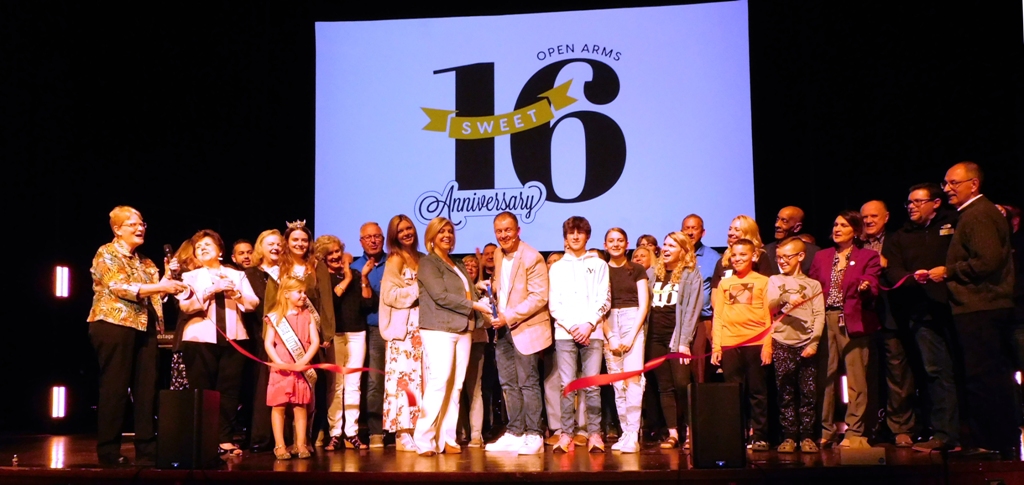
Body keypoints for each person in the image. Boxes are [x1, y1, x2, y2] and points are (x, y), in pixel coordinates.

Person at [87, 206, 188, 466]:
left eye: (142, 223)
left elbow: (157, 295)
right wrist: (160, 286)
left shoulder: (146, 262)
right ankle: (109, 450)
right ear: (117, 229)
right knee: (116, 387)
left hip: (145, 327)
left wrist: (168, 280)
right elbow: (120, 287)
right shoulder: (106, 253)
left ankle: (147, 448)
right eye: (132, 224)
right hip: (114, 324)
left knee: (147, 389)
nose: (140, 228)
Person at [936, 162, 1016, 455]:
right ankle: (997, 440)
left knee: (984, 377)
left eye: (953, 183)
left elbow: (987, 261)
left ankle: (991, 442)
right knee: (987, 375)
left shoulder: (979, 214)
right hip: (980, 306)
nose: (947, 189)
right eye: (945, 183)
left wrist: (948, 271)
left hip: (981, 306)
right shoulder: (973, 213)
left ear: (974, 185)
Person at [883, 183, 961, 452]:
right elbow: (892, 270)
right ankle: (943, 434)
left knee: (969, 370)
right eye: (909, 203)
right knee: (934, 372)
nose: (911, 207)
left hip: (959, 309)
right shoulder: (901, 236)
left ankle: (980, 435)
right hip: (922, 314)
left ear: (936, 203)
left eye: (918, 201)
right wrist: (912, 279)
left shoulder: (955, 222)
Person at [176, 229, 259, 456]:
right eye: (198, 247)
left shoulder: (236, 275)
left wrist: (236, 294)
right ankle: (204, 439)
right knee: (203, 391)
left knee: (229, 391)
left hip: (234, 338)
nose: (202, 248)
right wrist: (210, 290)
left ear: (220, 251)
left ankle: (225, 439)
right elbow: (186, 306)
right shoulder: (190, 277)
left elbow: (252, 303)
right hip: (199, 339)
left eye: (207, 245)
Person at [414, 217, 490, 456]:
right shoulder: (428, 263)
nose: (447, 235)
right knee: (439, 382)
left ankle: (447, 438)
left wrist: (479, 294)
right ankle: (424, 439)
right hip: (439, 328)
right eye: (441, 232)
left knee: (456, 386)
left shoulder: (456, 263)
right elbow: (440, 296)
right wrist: (475, 305)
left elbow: (466, 294)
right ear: (432, 237)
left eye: (450, 231)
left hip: (463, 329)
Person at [809, 211, 882, 449]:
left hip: (853, 320)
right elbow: (812, 285)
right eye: (835, 224)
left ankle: (855, 431)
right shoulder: (822, 256)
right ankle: (826, 430)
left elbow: (873, 280)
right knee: (826, 377)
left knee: (856, 379)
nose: (837, 229)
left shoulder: (868, 256)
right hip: (825, 319)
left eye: (843, 225)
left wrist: (866, 285)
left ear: (856, 231)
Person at [484, 212, 553, 455]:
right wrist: (491, 290)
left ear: (518, 230)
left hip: (525, 328)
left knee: (527, 383)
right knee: (508, 383)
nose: (503, 235)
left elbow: (539, 296)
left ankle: (534, 433)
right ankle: (515, 431)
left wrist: (509, 316)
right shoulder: (498, 254)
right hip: (502, 329)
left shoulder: (532, 257)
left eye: (508, 230)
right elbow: (505, 286)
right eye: (499, 231)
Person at [549, 216, 611, 453]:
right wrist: (572, 326)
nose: (575, 236)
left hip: (592, 332)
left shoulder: (599, 264)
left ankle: (594, 434)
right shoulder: (557, 267)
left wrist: (588, 324)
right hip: (565, 333)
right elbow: (554, 304)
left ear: (587, 236)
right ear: (565, 237)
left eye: (580, 232)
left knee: (592, 385)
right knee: (567, 385)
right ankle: (566, 434)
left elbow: (604, 299)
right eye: (571, 232)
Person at [861, 199, 916, 448]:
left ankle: (901, 427)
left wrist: (886, 264)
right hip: (862, 319)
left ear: (886, 217)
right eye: (865, 217)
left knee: (898, 375)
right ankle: (868, 426)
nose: (869, 221)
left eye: (874, 216)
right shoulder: (855, 244)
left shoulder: (897, 240)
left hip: (891, 316)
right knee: (865, 377)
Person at [711, 238, 773, 451]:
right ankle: (737, 435)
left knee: (757, 392)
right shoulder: (725, 283)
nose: (737, 259)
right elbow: (719, 316)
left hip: (755, 342)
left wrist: (767, 346)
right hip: (730, 343)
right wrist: (717, 346)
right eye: (734, 255)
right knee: (734, 393)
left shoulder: (764, 282)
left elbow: (769, 316)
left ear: (754, 256)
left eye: (743, 255)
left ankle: (760, 436)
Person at [766, 237, 825, 453]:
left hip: (806, 343)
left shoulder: (813, 285)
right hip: (782, 342)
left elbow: (819, 315)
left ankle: (807, 435)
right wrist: (785, 298)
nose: (782, 261)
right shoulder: (774, 280)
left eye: (787, 257)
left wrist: (814, 343)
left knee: (808, 392)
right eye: (779, 257)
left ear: (800, 256)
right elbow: (770, 305)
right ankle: (789, 436)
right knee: (785, 391)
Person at [646, 231, 703, 450]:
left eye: (672, 245)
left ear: (683, 250)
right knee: (664, 387)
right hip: (655, 338)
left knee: (681, 384)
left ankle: (690, 431)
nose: (666, 249)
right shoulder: (652, 273)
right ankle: (672, 433)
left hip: (677, 337)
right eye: (665, 244)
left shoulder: (690, 274)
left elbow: (692, 310)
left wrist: (684, 341)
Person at [315, 235, 370, 451]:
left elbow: (367, 303)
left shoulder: (354, 274)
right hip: (335, 334)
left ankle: (352, 432)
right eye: (330, 253)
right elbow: (332, 302)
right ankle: (335, 432)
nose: (336, 256)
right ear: (323, 257)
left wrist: (360, 277)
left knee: (354, 383)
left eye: (338, 251)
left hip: (357, 332)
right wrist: (346, 279)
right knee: (336, 385)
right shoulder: (322, 278)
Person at [602, 228, 649, 453]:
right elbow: (598, 307)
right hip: (609, 323)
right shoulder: (601, 269)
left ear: (627, 243)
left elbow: (644, 304)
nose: (616, 244)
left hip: (633, 321)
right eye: (611, 241)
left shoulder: (637, 269)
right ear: (605, 245)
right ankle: (625, 432)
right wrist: (610, 335)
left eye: (620, 240)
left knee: (633, 380)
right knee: (617, 382)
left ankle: (633, 433)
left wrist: (631, 335)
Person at [379, 215, 424, 452]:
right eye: (401, 231)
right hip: (403, 330)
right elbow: (389, 295)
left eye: (409, 228)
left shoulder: (422, 258)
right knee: (403, 379)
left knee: (420, 379)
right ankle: (402, 431)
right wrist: (418, 288)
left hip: (422, 327)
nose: (406, 233)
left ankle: (417, 427)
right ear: (394, 236)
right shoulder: (395, 259)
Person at [265, 276, 321, 460]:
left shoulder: (308, 316)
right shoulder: (275, 316)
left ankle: (301, 444)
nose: (304, 295)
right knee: (279, 406)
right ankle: (280, 445)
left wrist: (304, 361)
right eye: (299, 292)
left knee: (300, 405)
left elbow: (315, 341)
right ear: (286, 294)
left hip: (300, 366)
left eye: (304, 292)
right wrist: (277, 362)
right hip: (281, 367)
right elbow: (268, 343)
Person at [247, 229, 284, 453]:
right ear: (261, 247)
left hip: (287, 338)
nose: (275, 247)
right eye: (270, 244)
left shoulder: (287, 272)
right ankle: (262, 437)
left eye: (279, 244)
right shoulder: (250, 274)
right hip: (259, 337)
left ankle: (285, 438)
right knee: (262, 387)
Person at [351, 222, 386, 447]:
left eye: (377, 236)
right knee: (374, 381)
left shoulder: (395, 262)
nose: (373, 241)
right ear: (361, 242)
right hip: (372, 330)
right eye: (368, 237)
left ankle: (403, 429)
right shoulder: (354, 267)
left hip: (400, 329)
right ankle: (376, 431)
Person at [681, 214, 722, 383]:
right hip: (677, 321)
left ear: (703, 232)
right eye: (687, 228)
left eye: (694, 228)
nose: (690, 232)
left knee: (700, 371)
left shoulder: (714, 258)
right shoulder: (674, 255)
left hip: (702, 320)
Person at [457, 254, 488, 447]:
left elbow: (488, 319)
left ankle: (476, 435)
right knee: (457, 389)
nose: (469, 267)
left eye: (474, 265)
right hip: (457, 340)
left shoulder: (484, 290)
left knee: (474, 389)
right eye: (466, 264)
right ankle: (460, 432)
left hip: (476, 342)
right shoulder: (456, 290)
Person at [710, 215, 773, 292]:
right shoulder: (723, 261)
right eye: (730, 229)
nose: (730, 233)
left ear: (748, 233)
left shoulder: (760, 257)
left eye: (737, 230)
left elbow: (767, 289)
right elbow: (715, 293)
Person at [763, 207, 820, 276]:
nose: (777, 225)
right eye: (777, 219)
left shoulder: (814, 253)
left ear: (797, 227)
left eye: (784, 221)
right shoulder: (765, 252)